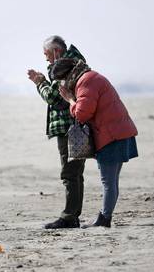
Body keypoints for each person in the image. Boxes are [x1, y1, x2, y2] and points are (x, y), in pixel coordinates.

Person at [55, 58, 138, 228]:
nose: (62, 85)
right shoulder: (90, 77)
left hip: (111, 136)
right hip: (120, 132)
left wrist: (70, 99)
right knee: (112, 181)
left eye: (60, 81)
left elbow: (82, 114)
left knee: (108, 181)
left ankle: (104, 219)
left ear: (67, 75)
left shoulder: (85, 82)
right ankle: (105, 216)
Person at [27, 35, 87, 229]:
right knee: (75, 173)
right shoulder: (75, 62)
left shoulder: (64, 66)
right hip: (77, 124)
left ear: (56, 52)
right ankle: (72, 215)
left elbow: (53, 97)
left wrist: (40, 82)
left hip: (68, 127)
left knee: (70, 173)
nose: (46, 59)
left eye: (47, 54)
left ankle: (70, 217)